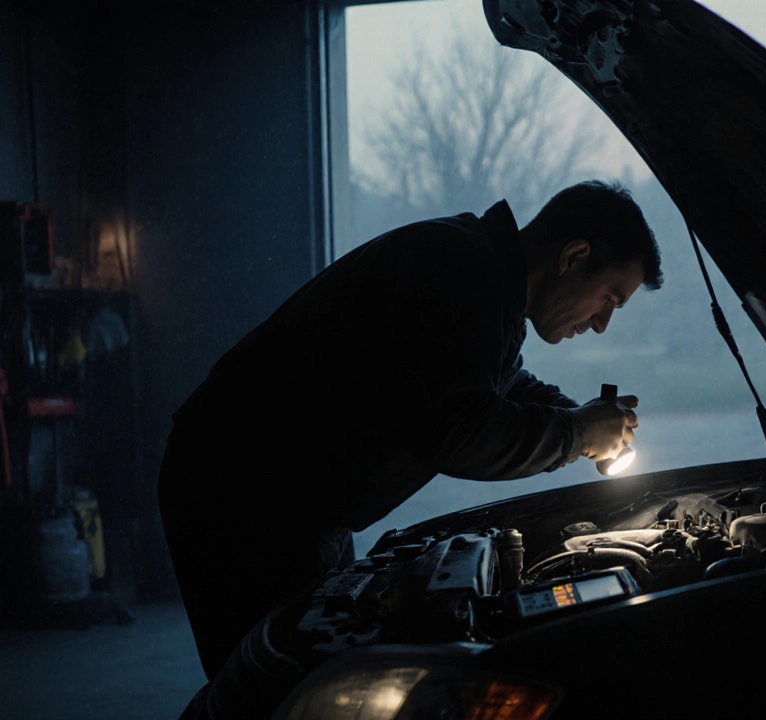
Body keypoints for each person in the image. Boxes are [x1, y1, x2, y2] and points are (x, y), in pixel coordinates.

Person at [157, 180, 663, 680]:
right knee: (275, 690)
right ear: (574, 256)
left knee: (311, 674)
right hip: (242, 492)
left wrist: (579, 416)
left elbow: (501, 383)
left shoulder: (485, 275)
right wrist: (576, 434)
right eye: (610, 299)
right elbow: (460, 431)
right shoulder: (462, 272)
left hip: (289, 496)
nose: (601, 324)